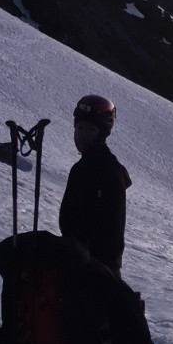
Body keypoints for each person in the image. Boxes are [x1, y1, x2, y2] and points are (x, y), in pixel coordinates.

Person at [58, 94, 129, 275]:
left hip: (96, 275)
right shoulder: (81, 168)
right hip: (79, 266)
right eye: (79, 127)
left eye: (90, 129)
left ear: (102, 133)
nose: (82, 135)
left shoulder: (109, 172)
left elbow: (112, 237)